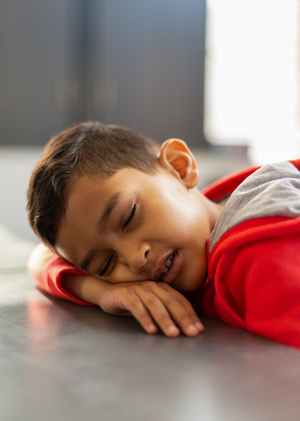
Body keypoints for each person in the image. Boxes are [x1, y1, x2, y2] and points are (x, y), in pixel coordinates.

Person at [27, 121, 300, 348]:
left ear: (180, 167)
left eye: (129, 217)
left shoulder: (262, 250)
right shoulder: (209, 209)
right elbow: (41, 258)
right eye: (106, 264)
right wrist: (104, 293)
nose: (135, 260)